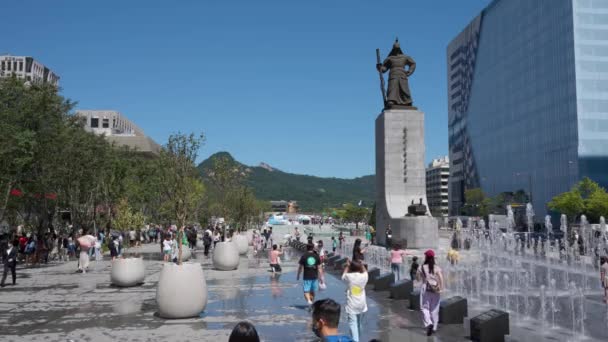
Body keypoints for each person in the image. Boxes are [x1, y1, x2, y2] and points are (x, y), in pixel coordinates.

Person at [417, 249, 444, 336]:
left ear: (426, 257)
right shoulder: (436, 267)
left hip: (426, 288)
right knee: (434, 309)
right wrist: (441, 287)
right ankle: (435, 327)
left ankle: (429, 323)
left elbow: (418, 278)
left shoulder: (421, 267)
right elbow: (441, 277)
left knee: (424, 308)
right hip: (435, 288)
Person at [341, 260, 368, 342]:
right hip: (362, 304)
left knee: (353, 324)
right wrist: (361, 264)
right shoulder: (364, 276)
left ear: (351, 268)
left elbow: (343, 277)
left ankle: (356, 340)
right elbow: (365, 271)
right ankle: (357, 338)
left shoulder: (349, 276)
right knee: (359, 324)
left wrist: (348, 266)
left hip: (352, 304)